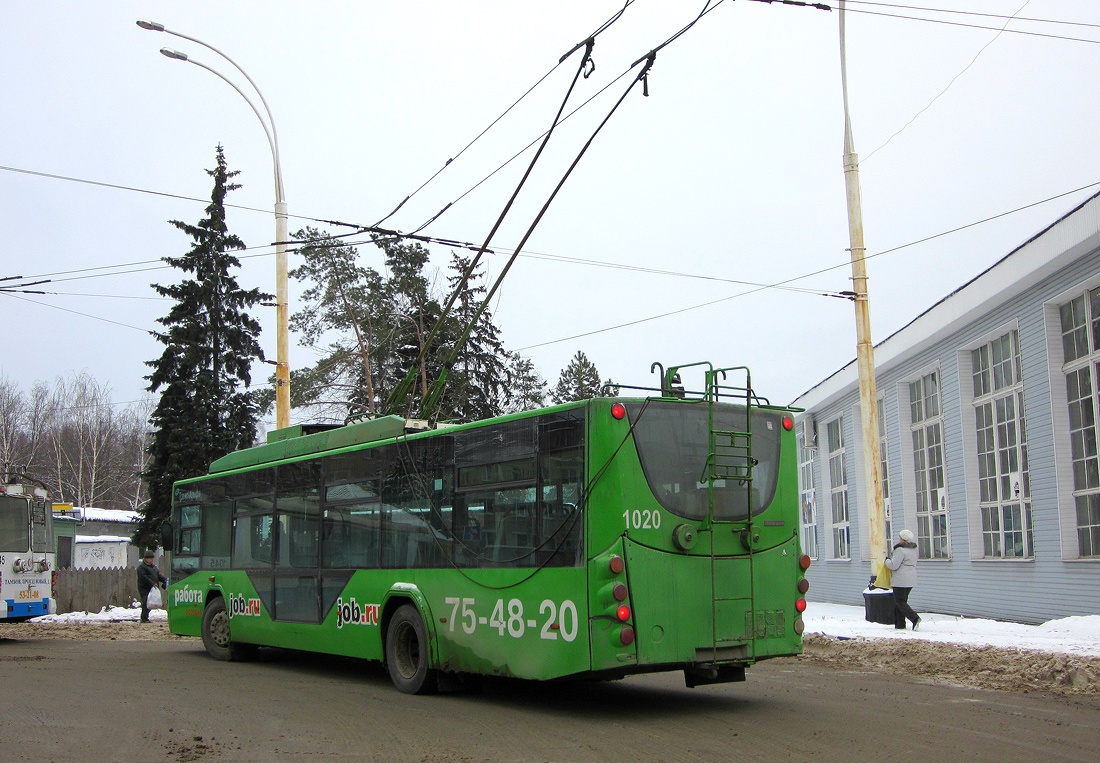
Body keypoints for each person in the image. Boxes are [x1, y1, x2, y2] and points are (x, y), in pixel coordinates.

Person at [885, 529, 921, 630]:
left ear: (901, 538)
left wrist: (886, 561)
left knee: (899, 601)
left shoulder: (900, 550)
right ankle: (900, 624)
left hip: (900, 579)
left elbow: (893, 565)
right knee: (901, 602)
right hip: (911, 578)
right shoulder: (914, 550)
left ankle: (915, 618)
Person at [137, 549, 168, 623]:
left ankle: (145, 617)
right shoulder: (141, 567)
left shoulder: (153, 567)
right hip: (144, 588)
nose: (151, 560)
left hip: (152, 588)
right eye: (150, 558)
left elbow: (158, 575)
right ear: (146, 558)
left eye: (152, 558)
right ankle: (144, 618)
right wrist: (152, 583)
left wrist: (165, 580)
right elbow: (144, 577)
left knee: (150, 603)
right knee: (146, 602)